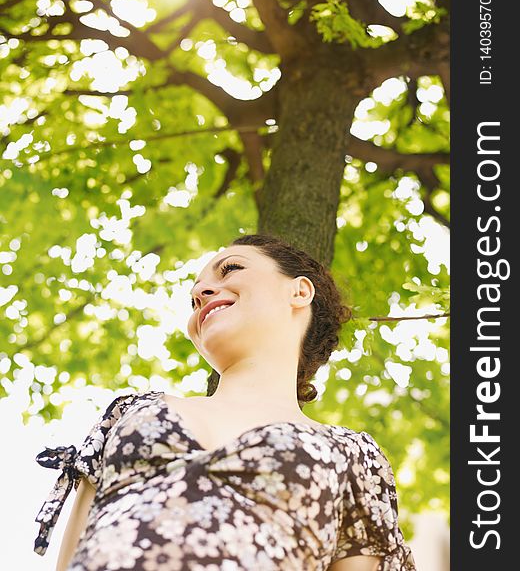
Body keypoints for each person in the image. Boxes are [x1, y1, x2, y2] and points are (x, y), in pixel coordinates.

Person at [34, 233, 417, 570]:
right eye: (193, 295)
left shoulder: (353, 455)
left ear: (299, 292)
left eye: (230, 269)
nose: (201, 293)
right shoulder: (127, 413)